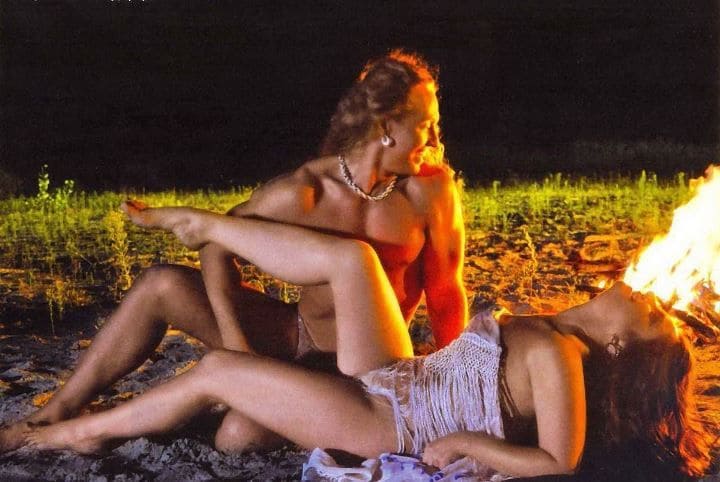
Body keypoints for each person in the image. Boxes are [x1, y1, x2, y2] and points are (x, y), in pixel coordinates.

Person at [12, 202, 712, 480]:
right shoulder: (553, 329)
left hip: (387, 419)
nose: (652, 297)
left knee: (219, 369)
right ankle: (210, 232)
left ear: (620, 349)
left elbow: (558, 462)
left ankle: (68, 437)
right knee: (350, 267)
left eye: (655, 318)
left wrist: (468, 445)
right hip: (388, 380)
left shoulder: (563, 356)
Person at [0, 50, 466, 453]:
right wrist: (236, 343)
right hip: (295, 337)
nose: (435, 141)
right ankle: (56, 411)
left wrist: (454, 384)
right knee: (161, 283)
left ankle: (229, 396)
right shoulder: (303, 193)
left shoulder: (430, 192)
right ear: (386, 128)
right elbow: (216, 246)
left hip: (361, 373)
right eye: (426, 127)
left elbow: (446, 294)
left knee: (237, 437)